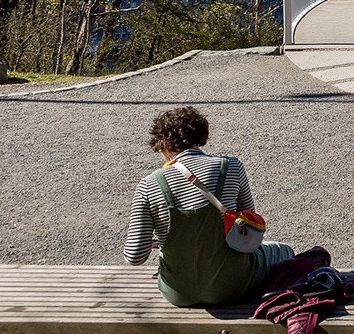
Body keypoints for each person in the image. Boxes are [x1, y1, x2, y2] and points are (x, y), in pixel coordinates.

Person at [123, 106, 296, 307]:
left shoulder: (148, 184)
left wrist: (161, 244)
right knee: (283, 250)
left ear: (162, 145)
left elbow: (134, 256)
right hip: (235, 285)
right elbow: (248, 223)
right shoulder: (231, 166)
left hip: (178, 293)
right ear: (201, 136)